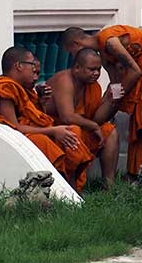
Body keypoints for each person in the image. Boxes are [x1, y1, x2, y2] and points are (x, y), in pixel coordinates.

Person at [0, 46, 93, 190]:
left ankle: (73, 186)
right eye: (32, 65)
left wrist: (41, 103)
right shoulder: (4, 88)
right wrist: (53, 131)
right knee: (43, 140)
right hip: (14, 139)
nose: (35, 71)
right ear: (19, 66)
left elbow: (36, 118)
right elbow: (15, 128)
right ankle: (61, 186)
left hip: (28, 133)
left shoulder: (23, 89)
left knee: (73, 130)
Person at [61, 24, 142, 178]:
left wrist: (118, 96)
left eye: (71, 52)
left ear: (76, 44)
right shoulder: (103, 55)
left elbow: (134, 70)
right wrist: (110, 103)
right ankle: (140, 171)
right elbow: (115, 83)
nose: (74, 57)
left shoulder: (109, 41)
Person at [45, 48, 121, 188]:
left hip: (78, 129)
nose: (96, 73)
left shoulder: (92, 86)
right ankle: (71, 187)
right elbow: (67, 117)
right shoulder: (65, 81)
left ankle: (109, 185)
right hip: (54, 132)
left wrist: (110, 101)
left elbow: (96, 119)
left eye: (98, 69)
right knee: (74, 131)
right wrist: (93, 126)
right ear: (77, 68)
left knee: (110, 132)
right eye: (91, 69)